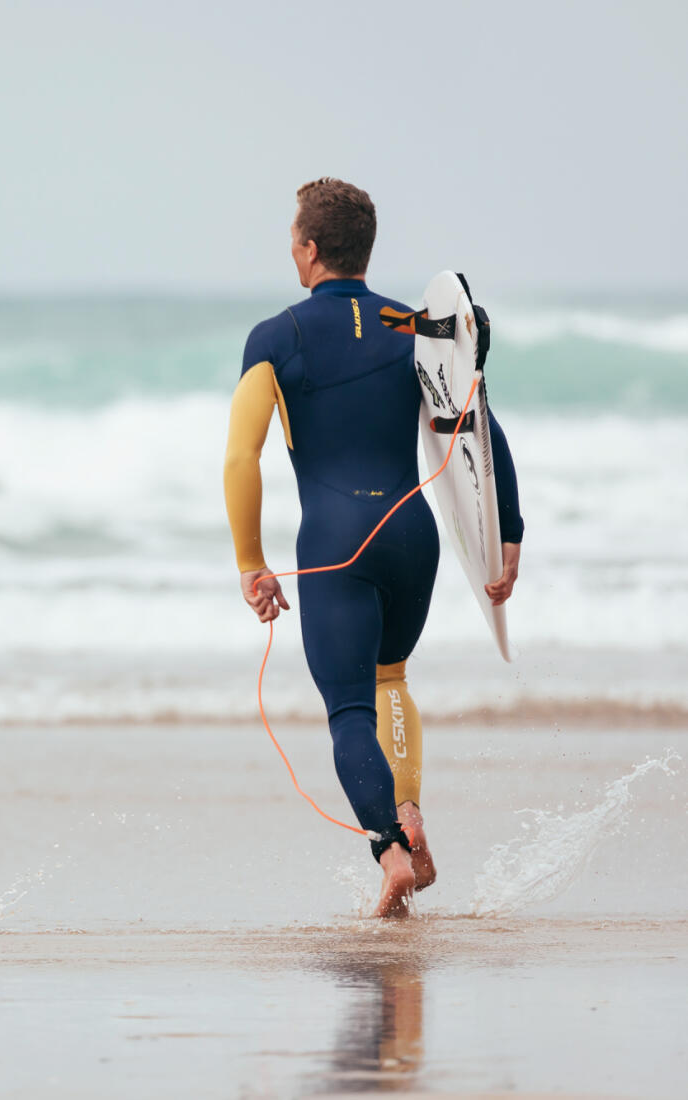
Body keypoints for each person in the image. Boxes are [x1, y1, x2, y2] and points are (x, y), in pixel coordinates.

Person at [223, 178, 523, 918]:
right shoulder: (416, 326)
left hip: (334, 542)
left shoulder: (275, 338)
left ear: (311, 248)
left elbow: (240, 459)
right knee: (392, 679)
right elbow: (476, 425)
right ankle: (409, 807)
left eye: (294, 240)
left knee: (349, 709)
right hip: (410, 537)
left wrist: (250, 564)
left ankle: (390, 851)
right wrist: (507, 534)